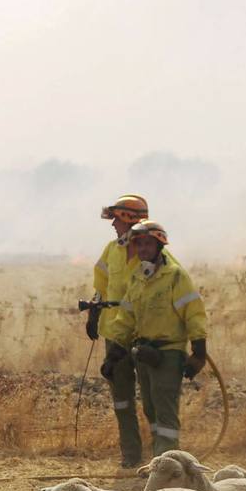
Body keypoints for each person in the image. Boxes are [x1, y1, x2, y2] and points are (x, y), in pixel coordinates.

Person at [101, 220, 207, 456]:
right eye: (139, 245)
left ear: (160, 245)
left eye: (148, 244)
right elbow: (126, 319)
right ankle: (162, 460)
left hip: (168, 354)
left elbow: (194, 313)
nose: (143, 249)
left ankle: (169, 466)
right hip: (144, 354)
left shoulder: (175, 276)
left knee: (165, 411)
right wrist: (114, 355)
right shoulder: (138, 278)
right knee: (151, 410)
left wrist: (199, 352)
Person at [92, 194, 173, 467]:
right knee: (122, 399)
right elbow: (101, 284)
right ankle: (131, 456)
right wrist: (94, 310)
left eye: (116, 218)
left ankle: (160, 461)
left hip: (146, 338)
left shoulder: (156, 253)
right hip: (115, 337)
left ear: (129, 220)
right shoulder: (111, 250)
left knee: (152, 400)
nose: (113, 224)